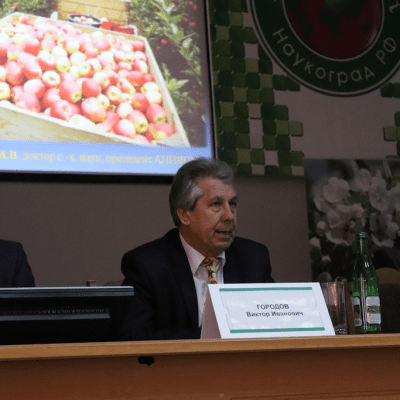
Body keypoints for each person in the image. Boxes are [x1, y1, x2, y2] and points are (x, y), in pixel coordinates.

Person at [119, 157, 274, 341]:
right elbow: (134, 338)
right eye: (216, 204)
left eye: (232, 204)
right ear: (185, 215)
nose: (229, 216)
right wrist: (213, 336)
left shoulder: (254, 258)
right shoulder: (147, 265)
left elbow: (276, 324)